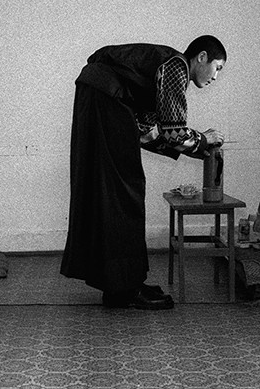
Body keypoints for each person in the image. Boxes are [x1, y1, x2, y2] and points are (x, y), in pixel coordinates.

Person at [60, 36, 227, 309]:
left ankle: (118, 285)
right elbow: (173, 132)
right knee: (125, 192)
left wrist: (196, 149)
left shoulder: (157, 75)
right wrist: (205, 139)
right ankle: (126, 288)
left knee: (111, 193)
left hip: (98, 99)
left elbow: (145, 134)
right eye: (217, 67)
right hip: (105, 100)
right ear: (202, 57)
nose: (216, 77)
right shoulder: (176, 66)